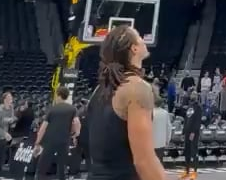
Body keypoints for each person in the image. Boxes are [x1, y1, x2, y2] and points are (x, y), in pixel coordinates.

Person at [84, 26, 166, 180]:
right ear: (134, 48)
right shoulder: (137, 88)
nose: (143, 39)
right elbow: (144, 161)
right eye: (139, 36)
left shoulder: (100, 90)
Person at [35, 86, 80, 180]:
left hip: (50, 141)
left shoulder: (52, 109)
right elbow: (77, 123)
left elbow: (43, 128)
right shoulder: (72, 109)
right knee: (62, 168)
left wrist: (37, 142)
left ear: (58, 95)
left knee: (42, 167)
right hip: (64, 141)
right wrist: (76, 135)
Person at [177, 78, 203, 179]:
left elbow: (198, 121)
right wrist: (183, 132)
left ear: (196, 97)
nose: (192, 96)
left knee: (193, 152)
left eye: (194, 95)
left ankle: (194, 172)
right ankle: (187, 171)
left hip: (194, 133)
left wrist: (193, 132)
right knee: (187, 152)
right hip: (187, 132)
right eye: (192, 94)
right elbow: (186, 120)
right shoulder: (189, 106)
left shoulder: (198, 107)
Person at [0, 90, 16, 176]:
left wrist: (12, 121)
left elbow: (11, 119)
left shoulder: (11, 108)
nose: (11, 99)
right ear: (5, 99)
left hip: (5, 136)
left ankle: (0, 174)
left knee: (2, 157)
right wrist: (5, 134)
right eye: (9, 98)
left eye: (11, 98)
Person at [150, 96, 172, 165]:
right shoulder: (165, 113)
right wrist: (168, 139)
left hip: (151, 141)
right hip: (161, 141)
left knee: (151, 162)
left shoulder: (150, 112)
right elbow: (169, 127)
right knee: (160, 161)